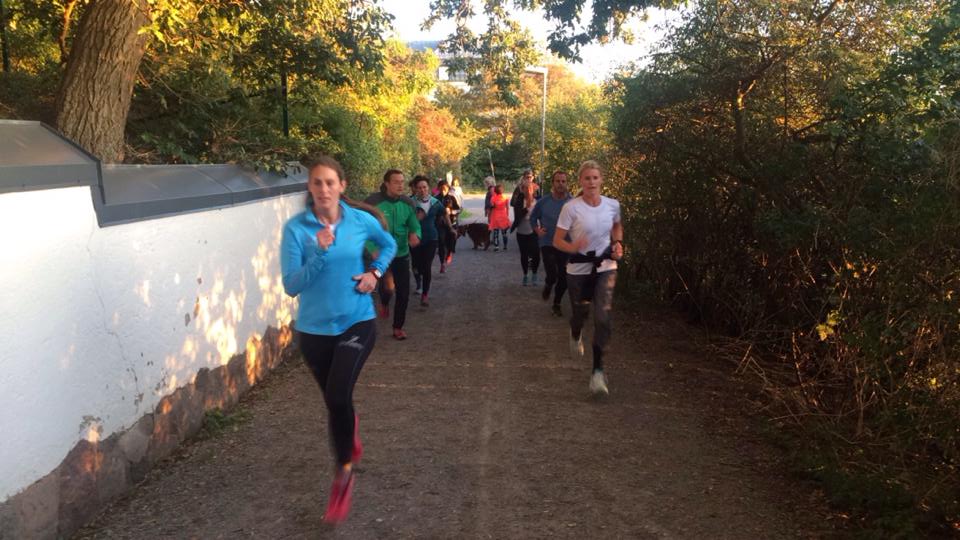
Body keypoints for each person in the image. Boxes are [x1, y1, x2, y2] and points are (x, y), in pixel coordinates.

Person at [280, 155, 397, 524]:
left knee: (336, 396)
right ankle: (350, 425)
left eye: (330, 182)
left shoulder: (360, 220)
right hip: (314, 331)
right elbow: (291, 285)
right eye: (317, 182)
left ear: (342, 186)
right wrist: (319, 252)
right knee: (338, 402)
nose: (324, 189)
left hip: (356, 322)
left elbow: (388, 245)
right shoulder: (296, 229)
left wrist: (375, 272)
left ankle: (343, 473)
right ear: (309, 187)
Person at [553, 161, 624, 396]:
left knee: (603, 317)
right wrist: (573, 247)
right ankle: (575, 332)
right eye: (587, 178)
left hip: (605, 266)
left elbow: (617, 227)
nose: (591, 182)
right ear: (580, 181)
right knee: (580, 314)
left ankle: (598, 371)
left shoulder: (612, 205)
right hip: (578, 269)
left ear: (601, 179)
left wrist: (617, 244)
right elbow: (557, 240)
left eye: (595, 178)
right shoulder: (571, 208)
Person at [365, 169, 421, 340]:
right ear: (387, 184)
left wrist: (415, 234)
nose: (400, 185)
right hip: (382, 255)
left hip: (401, 254)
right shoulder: (373, 203)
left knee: (404, 292)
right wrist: (372, 248)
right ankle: (384, 302)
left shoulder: (408, 203)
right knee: (388, 288)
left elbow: (415, 225)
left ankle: (398, 327)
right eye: (396, 182)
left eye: (402, 182)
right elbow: (364, 229)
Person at [530, 170, 573, 316]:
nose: (560, 184)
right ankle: (549, 284)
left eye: (563, 181)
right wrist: (537, 230)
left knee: (564, 276)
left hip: (566, 244)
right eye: (557, 181)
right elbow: (533, 218)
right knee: (552, 274)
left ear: (567, 183)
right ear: (553, 183)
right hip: (547, 242)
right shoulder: (543, 202)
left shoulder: (573, 203)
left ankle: (557, 303)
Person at [411, 175, 443, 306]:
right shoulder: (410, 202)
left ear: (428, 187)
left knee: (427, 266)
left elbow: (444, 213)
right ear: (415, 189)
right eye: (419, 188)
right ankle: (418, 280)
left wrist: (450, 227)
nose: (422, 190)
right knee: (416, 265)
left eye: (424, 187)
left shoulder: (435, 202)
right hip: (415, 238)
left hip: (431, 238)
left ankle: (425, 295)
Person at [511, 179, 541, 286]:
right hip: (521, 231)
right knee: (524, 254)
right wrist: (527, 207)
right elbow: (518, 217)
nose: (528, 191)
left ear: (533, 190)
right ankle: (525, 275)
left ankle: (534, 274)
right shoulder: (519, 201)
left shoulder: (538, 201)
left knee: (536, 254)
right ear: (522, 190)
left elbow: (542, 216)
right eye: (526, 189)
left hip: (534, 231)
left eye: (530, 189)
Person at [436, 179, 460, 269]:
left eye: (445, 189)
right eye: (441, 189)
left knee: (452, 239)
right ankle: (442, 263)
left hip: (452, 223)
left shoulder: (452, 198)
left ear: (448, 189)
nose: (443, 191)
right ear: (438, 188)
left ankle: (450, 252)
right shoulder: (435, 199)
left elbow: (459, 209)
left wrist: (452, 211)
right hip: (440, 224)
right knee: (441, 241)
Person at [488, 184, 511, 252]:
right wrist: (507, 215)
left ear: (495, 191)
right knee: (504, 233)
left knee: (496, 232)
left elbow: (491, 207)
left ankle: (496, 247)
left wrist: (489, 215)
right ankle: (505, 246)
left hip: (495, 216)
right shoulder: (505, 197)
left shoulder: (493, 198)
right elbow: (507, 207)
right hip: (503, 215)